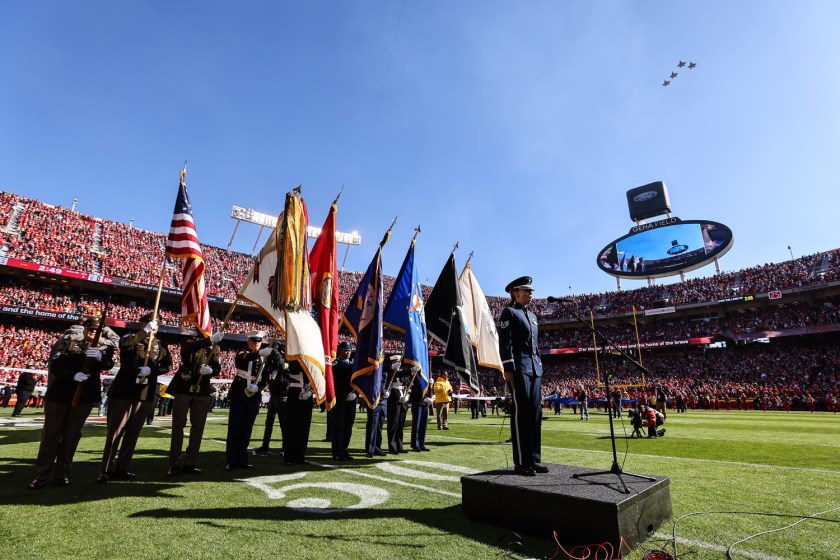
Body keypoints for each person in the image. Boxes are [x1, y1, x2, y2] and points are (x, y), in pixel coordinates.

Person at [30, 316, 118, 489]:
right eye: (90, 329)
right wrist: (72, 375)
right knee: (51, 435)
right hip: (60, 394)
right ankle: (41, 474)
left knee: (72, 435)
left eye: (97, 330)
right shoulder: (70, 342)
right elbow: (56, 365)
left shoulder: (104, 347)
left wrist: (100, 357)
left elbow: (108, 364)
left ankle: (62, 474)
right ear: (84, 329)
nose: (93, 332)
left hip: (84, 397)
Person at [97, 312, 172, 482]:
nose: (155, 326)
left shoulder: (160, 344)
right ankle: (105, 470)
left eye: (156, 324)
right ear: (143, 323)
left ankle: (122, 468)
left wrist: (152, 370)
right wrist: (145, 331)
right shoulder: (131, 337)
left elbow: (168, 365)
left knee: (133, 433)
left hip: (145, 392)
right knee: (115, 431)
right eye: (150, 323)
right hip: (124, 389)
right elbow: (124, 345)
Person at [498, 276, 547, 476]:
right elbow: (505, 343)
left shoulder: (533, 316)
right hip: (518, 369)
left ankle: (534, 459)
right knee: (521, 416)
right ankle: (521, 462)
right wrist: (508, 368)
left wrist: (539, 367)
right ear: (515, 293)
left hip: (535, 369)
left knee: (535, 416)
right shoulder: (509, 312)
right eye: (526, 290)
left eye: (531, 290)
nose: (530, 293)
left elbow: (535, 346)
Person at [167, 330, 224, 476]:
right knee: (178, 425)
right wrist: (209, 340)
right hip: (184, 386)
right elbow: (187, 349)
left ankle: (190, 462)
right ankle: (174, 463)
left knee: (198, 426)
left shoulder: (215, 347)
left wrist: (211, 371)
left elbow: (217, 368)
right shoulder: (190, 341)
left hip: (202, 389)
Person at [227, 330, 271, 470]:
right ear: (248, 342)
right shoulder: (242, 352)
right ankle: (232, 460)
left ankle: (243, 460)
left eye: (259, 341)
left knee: (246, 429)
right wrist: (260, 353)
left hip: (253, 397)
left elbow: (266, 378)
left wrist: (258, 388)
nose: (256, 344)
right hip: (239, 394)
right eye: (254, 341)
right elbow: (243, 360)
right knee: (235, 428)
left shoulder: (263, 358)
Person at [255, 340, 289, 455]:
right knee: (269, 422)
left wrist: (275, 353)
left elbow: (281, 365)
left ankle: (285, 448)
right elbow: (266, 374)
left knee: (284, 423)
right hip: (274, 392)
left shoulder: (286, 359)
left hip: (282, 393)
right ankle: (265, 445)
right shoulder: (271, 361)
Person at [330, 341, 357, 461]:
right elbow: (341, 371)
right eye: (346, 350)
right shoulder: (336, 363)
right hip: (340, 399)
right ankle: (337, 451)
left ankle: (344, 450)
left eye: (350, 350)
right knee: (339, 426)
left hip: (351, 398)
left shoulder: (352, 363)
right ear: (340, 350)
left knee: (348, 426)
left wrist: (354, 393)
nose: (348, 352)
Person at [364, 357, 393, 458]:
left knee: (379, 426)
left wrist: (388, 392)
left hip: (383, 401)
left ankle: (377, 447)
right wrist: (390, 366)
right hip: (374, 399)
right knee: (372, 425)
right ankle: (370, 449)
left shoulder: (385, 370)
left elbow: (390, 382)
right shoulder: (375, 367)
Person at [386, 356, 410, 454]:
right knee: (393, 423)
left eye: (398, 361)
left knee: (400, 423)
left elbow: (408, 384)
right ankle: (392, 446)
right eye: (395, 361)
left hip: (403, 397)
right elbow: (395, 376)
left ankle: (400, 445)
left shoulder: (403, 373)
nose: (397, 363)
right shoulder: (390, 372)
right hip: (394, 398)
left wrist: (407, 395)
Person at [408, 373, 431, 452]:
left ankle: (421, 444)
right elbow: (417, 387)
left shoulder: (426, 374)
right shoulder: (416, 374)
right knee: (416, 424)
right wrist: (423, 397)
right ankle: (415, 444)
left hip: (425, 403)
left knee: (423, 425)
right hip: (418, 401)